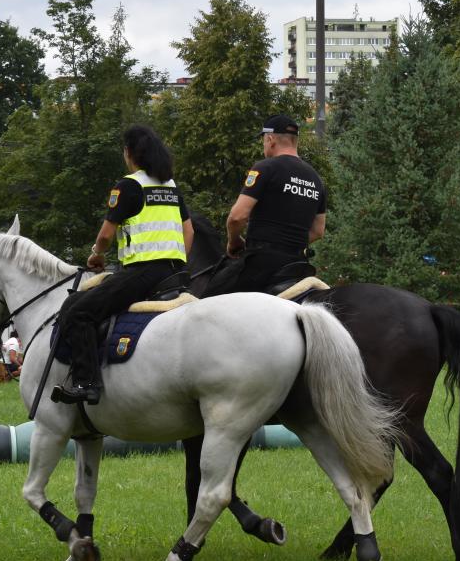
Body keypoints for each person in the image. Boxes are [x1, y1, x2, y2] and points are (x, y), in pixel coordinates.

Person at [53, 124, 193, 404]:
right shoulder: (170, 186)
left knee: (80, 312)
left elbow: (106, 235)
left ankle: (86, 382)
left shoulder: (129, 186)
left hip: (141, 273)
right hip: (175, 274)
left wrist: (96, 254)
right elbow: (189, 232)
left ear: (130, 153)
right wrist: (177, 261)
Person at [202, 115, 326, 297]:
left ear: (270, 139)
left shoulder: (265, 167)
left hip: (262, 264)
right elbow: (318, 231)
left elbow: (237, 217)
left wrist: (234, 241)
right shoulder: (316, 179)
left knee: (206, 301)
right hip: (298, 265)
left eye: (263, 140)